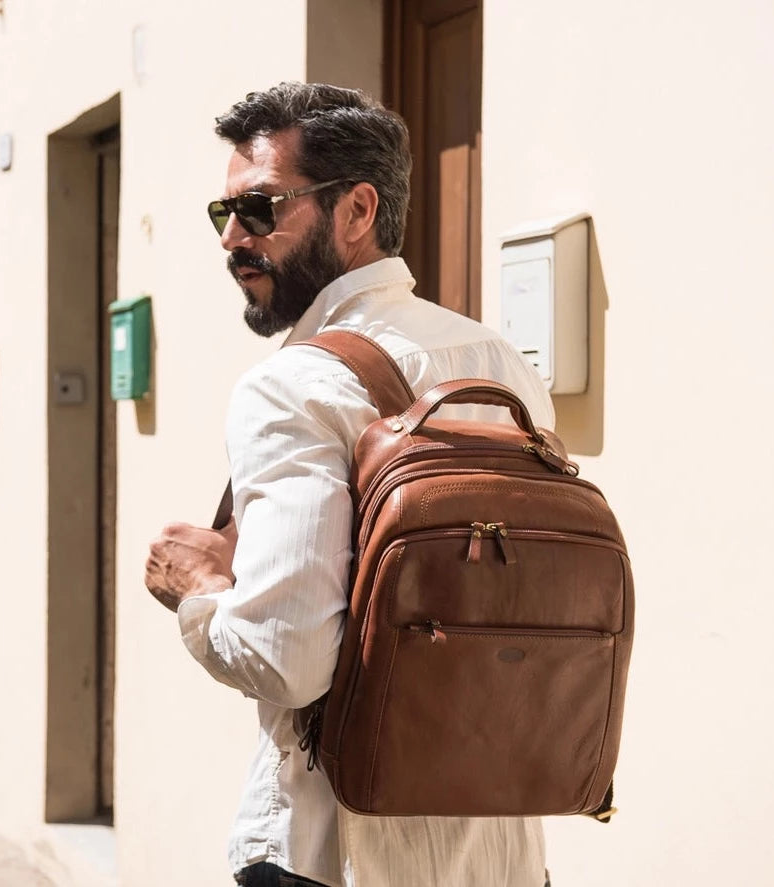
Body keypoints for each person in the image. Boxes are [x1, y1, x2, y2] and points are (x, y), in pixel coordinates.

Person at [145, 82, 554, 887]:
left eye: (259, 208)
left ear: (356, 210)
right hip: (504, 852)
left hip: (339, 855)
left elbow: (287, 661)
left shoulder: (291, 385)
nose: (232, 236)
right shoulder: (498, 362)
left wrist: (198, 589)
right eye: (223, 212)